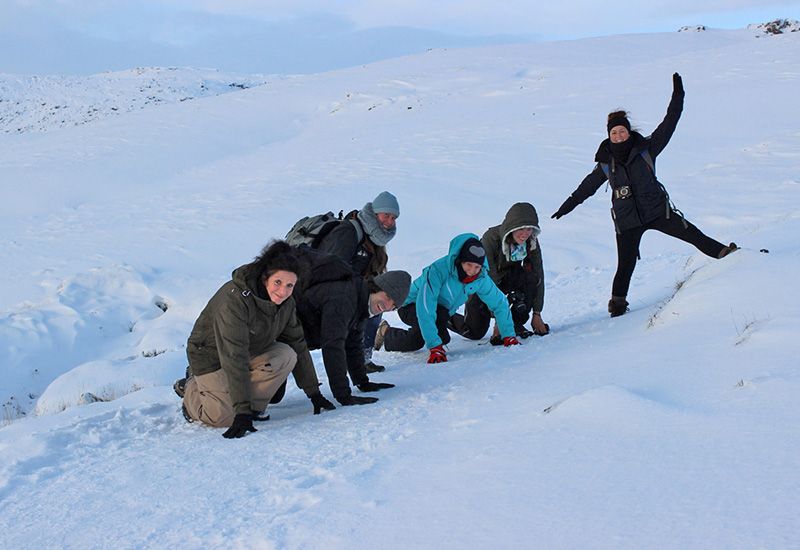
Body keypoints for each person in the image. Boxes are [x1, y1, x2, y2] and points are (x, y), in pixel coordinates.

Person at [551, 73, 738, 317]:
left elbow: (670, 122)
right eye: (614, 133)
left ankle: (727, 256)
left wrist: (678, 95)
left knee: (692, 234)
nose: (618, 136)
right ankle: (617, 306)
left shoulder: (647, 149)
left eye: (622, 131)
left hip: (657, 211)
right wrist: (568, 205)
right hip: (627, 220)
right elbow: (587, 187)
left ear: (629, 132)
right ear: (609, 135)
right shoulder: (606, 163)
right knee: (625, 265)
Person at [175, 241, 335, 439]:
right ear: (265, 277)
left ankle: (250, 408)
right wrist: (240, 411)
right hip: (211, 357)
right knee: (223, 418)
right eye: (278, 282)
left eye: (290, 285)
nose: (283, 291)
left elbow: (297, 343)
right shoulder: (234, 300)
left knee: (286, 355)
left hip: (249, 351)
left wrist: (314, 393)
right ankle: (190, 387)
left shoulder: (286, 303)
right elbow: (234, 355)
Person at [293, 246, 412, 405]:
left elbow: (353, 344)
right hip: (280, 337)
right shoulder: (345, 298)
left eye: (394, 305)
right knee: (273, 395)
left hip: (296, 341)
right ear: (377, 287)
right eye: (388, 296)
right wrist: (343, 395)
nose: (388, 305)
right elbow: (333, 346)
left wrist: (362, 382)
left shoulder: (361, 300)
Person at [374, 233, 520, 363]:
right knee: (418, 340)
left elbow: (499, 303)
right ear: (460, 260)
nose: (472, 271)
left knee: (443, 337)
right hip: (411, 305)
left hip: (441, 310)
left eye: (477, 266)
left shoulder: (480, 277)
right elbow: (425, 307)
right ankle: (384, 332)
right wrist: (434, 346)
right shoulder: (438, 270)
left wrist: (508, 335)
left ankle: (439, 325)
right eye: (469, 265)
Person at [316, 191, 400, 373]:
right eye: (386, 215)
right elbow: (331, 268)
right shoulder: (348, 232)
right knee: (369, 306)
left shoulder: (375, 238)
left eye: (393, 218)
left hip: (351, 289)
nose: (390, 221)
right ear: (375, 213)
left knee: (377, 305)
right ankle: (351, 361)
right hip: (327, 291)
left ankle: (362, 359)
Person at [451, 202, 550, 344]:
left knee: (530, 277)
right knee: (474, 331)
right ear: (512, 226)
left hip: (509, 281)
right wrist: (499, 320)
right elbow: (490, 279)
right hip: (483, 285)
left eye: (529, 229)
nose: (525, 234)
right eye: (521, 228)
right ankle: (440, 314)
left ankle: (514, 323)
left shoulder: (531, 241)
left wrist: (537, 313)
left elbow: (538, 273)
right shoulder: (490, 239)